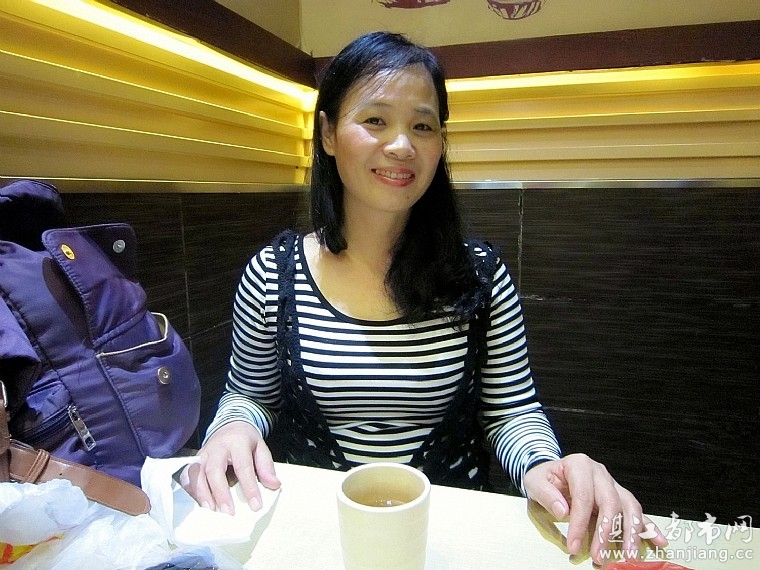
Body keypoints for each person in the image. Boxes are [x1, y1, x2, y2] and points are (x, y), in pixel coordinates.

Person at [182, 31, 667, 564]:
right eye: (375, 120)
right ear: (327, 133)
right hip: (317, 533)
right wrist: (232, 426)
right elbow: (250, 396)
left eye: (422, 126)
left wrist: (542, 467)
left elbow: (511, 412)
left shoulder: (479, 276)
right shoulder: (274, 274)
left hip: (450, 533)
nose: (401, 146)